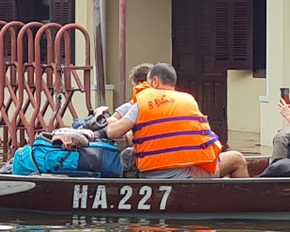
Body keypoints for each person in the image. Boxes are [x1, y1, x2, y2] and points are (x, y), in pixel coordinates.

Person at [105, 63, 248, 178]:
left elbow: (113, 133)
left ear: (155, 81)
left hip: (151, 173)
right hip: (184, 172)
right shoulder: (189, 101)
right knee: (237, 159)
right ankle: (244, 205)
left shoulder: (140, 105)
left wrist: (110, 121)